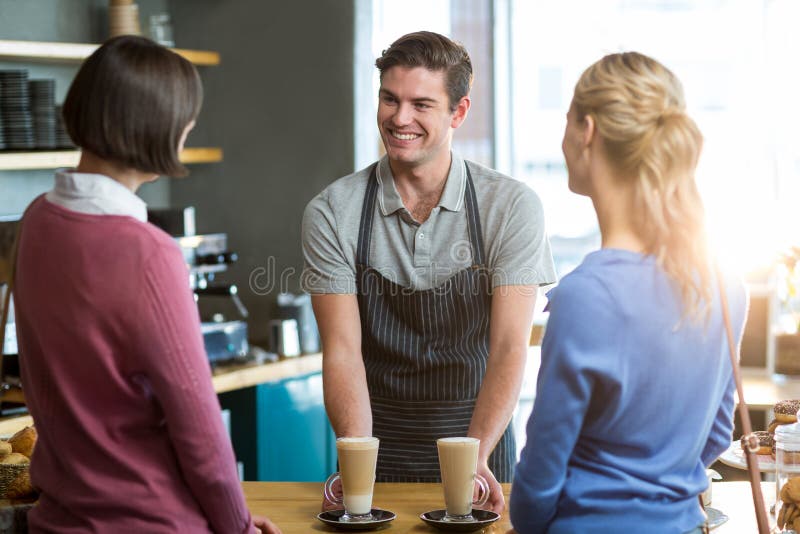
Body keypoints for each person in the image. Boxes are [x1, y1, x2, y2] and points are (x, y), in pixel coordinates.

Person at [13, 36, 280, 534]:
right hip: (149, 522)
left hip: (57, 521)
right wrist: (238, 527)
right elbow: (199, 431)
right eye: (185, 116)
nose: (191, 126)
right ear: (154, 127)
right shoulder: (150, 253)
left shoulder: (35, 220)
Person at [302, 30, 556, 513]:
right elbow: (342, 351)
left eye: (421, 104)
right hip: (375, 447)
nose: (400, 119)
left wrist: (473, 460)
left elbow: (508, 349)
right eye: (389, 99)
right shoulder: (333, 211)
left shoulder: (512, 207)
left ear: (458, 112)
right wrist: (357, 460)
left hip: (480, 445)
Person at [509, 52, 747, 533]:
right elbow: (719, 431)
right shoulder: (725, 286)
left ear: (587, 132)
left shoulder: (585, 297)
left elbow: (539, 481)